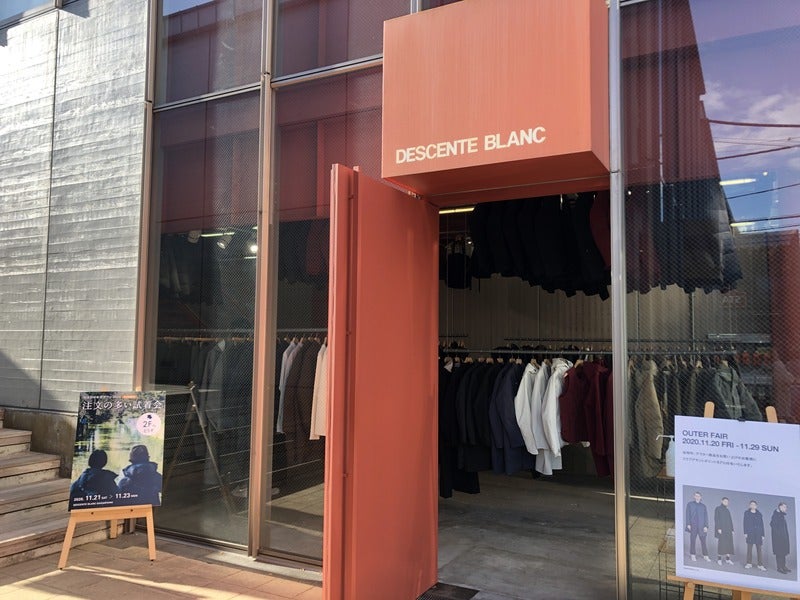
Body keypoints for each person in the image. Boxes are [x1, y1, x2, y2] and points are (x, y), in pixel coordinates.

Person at [686, 491, 711, 562]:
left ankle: (705, 556)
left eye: (698, 496)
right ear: (694, 496)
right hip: (693, 525)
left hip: (701, 526)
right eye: (696, 496)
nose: (697, 497)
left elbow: (706, 517)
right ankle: (693, 555)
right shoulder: (690, 504)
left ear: (700, 497)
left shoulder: (703, 506)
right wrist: (688, 524)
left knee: (703, 541)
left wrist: (706, 526)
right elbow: (687, 514)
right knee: (692, 540)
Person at [743, 500, 766, 571]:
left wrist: (763, 534)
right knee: (749, 549)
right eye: (751, 504)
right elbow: (745, 523)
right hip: (750, 533)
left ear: (756, 506)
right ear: (749, 505)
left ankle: (760, 565)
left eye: (754, 505)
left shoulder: (759, 514)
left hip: (758, 534)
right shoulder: (746, 513)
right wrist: (745, 533)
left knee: (759, 550)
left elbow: (762, 524)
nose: (753, 506)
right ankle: (749, 563)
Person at [770, 502, 791, 574]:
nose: (786, 508)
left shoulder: (781, 515)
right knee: (779, 553)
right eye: (785, 507)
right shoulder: (775, 515)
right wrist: (779, 535)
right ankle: (779, 568)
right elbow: (772, 525)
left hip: (783, 538)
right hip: (778, 539)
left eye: (786, 507)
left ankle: (783, 566)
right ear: (780, 507)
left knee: (783, 552)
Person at [714, 497, 735, 565]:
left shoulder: (727, 510)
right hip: (721, 529)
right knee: (721, 544)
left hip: (728, 529)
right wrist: (718, 528)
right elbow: (716, 519)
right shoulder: (718, 508)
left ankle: (728, 559)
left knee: (729, 544)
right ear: (722, 501)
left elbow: (730, 520)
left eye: (727, 502)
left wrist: (732, 529)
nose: (726, 503)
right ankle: (719, 559)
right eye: (725, 501)